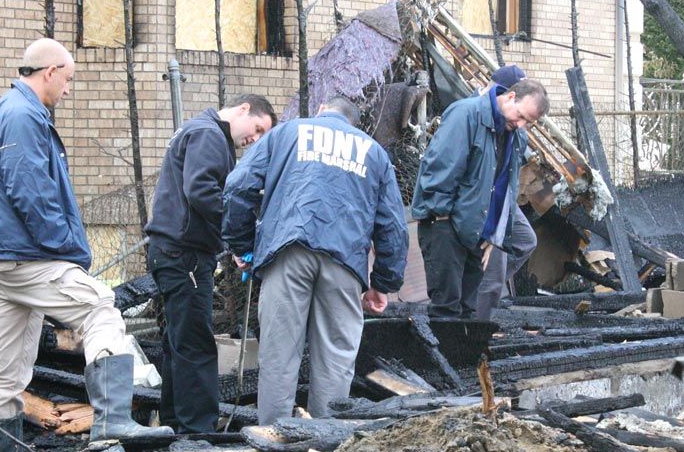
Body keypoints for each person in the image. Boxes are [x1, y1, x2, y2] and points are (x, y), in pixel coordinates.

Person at [0, 38, 167, 452]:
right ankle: (112, 423)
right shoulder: (22, 115)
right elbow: (30, 190)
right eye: (68, 79)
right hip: (24, 254)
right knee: (101, 308)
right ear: (50, 72)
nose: (68, 90)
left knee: (7, 368)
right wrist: (65, 248)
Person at [222, 97, 408, 426]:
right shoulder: (373, 153)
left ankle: (272, 441)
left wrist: (244, 247)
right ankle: (326, 444)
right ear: (353, 123)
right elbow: (392, 224)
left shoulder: (285, 134)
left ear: (321, 109)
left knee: (279, 352)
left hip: (287, 252)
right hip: (345, 262)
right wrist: (383, 283)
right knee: (336, 355)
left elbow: (238, 187)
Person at [146, 95, 277, 433]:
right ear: (244, 109)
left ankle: (175, 422)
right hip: (184, 254)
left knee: (179, 341)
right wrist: (236, 231)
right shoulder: (209, 135)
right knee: (196, 344)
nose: (255, 139)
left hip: (172, 251)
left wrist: (228, 244)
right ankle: (199, 431)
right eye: (258, 128)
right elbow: (202, 191)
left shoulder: (198, 130)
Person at [411, 77, 550, 318]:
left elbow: (504, 188)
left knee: (469, 310)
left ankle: (465, 357)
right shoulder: (466, 114)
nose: (520, 125)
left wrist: (492, 233)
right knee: (446, 309)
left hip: (475, 234)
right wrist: (442, 219)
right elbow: (441, 170)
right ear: (510, 97)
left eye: (528, 122)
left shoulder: (516, 136)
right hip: (444, 226)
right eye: (521, 116)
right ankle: (443, 356)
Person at [473, 65, 539, 321]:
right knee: (490, 284)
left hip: (504, 200)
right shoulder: (474, 113)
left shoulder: (515, 123)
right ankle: (474, 339)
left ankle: (484, 279)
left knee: (525, 241)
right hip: (486, 202)